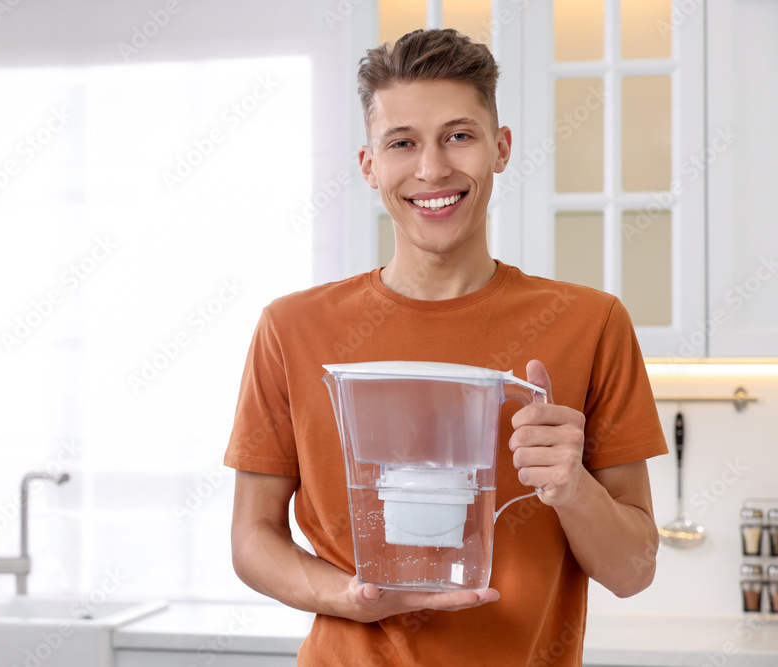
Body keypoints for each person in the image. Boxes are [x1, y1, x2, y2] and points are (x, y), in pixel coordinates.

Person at [224, 28, 667, 666]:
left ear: (500, 148)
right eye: (402, 143)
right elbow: (251, 538)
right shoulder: (292, 329)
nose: (432, 168)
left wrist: (573, 489)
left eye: (459, 135)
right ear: (369, 164)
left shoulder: (590, 323)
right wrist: (351, 597)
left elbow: (633, 571)